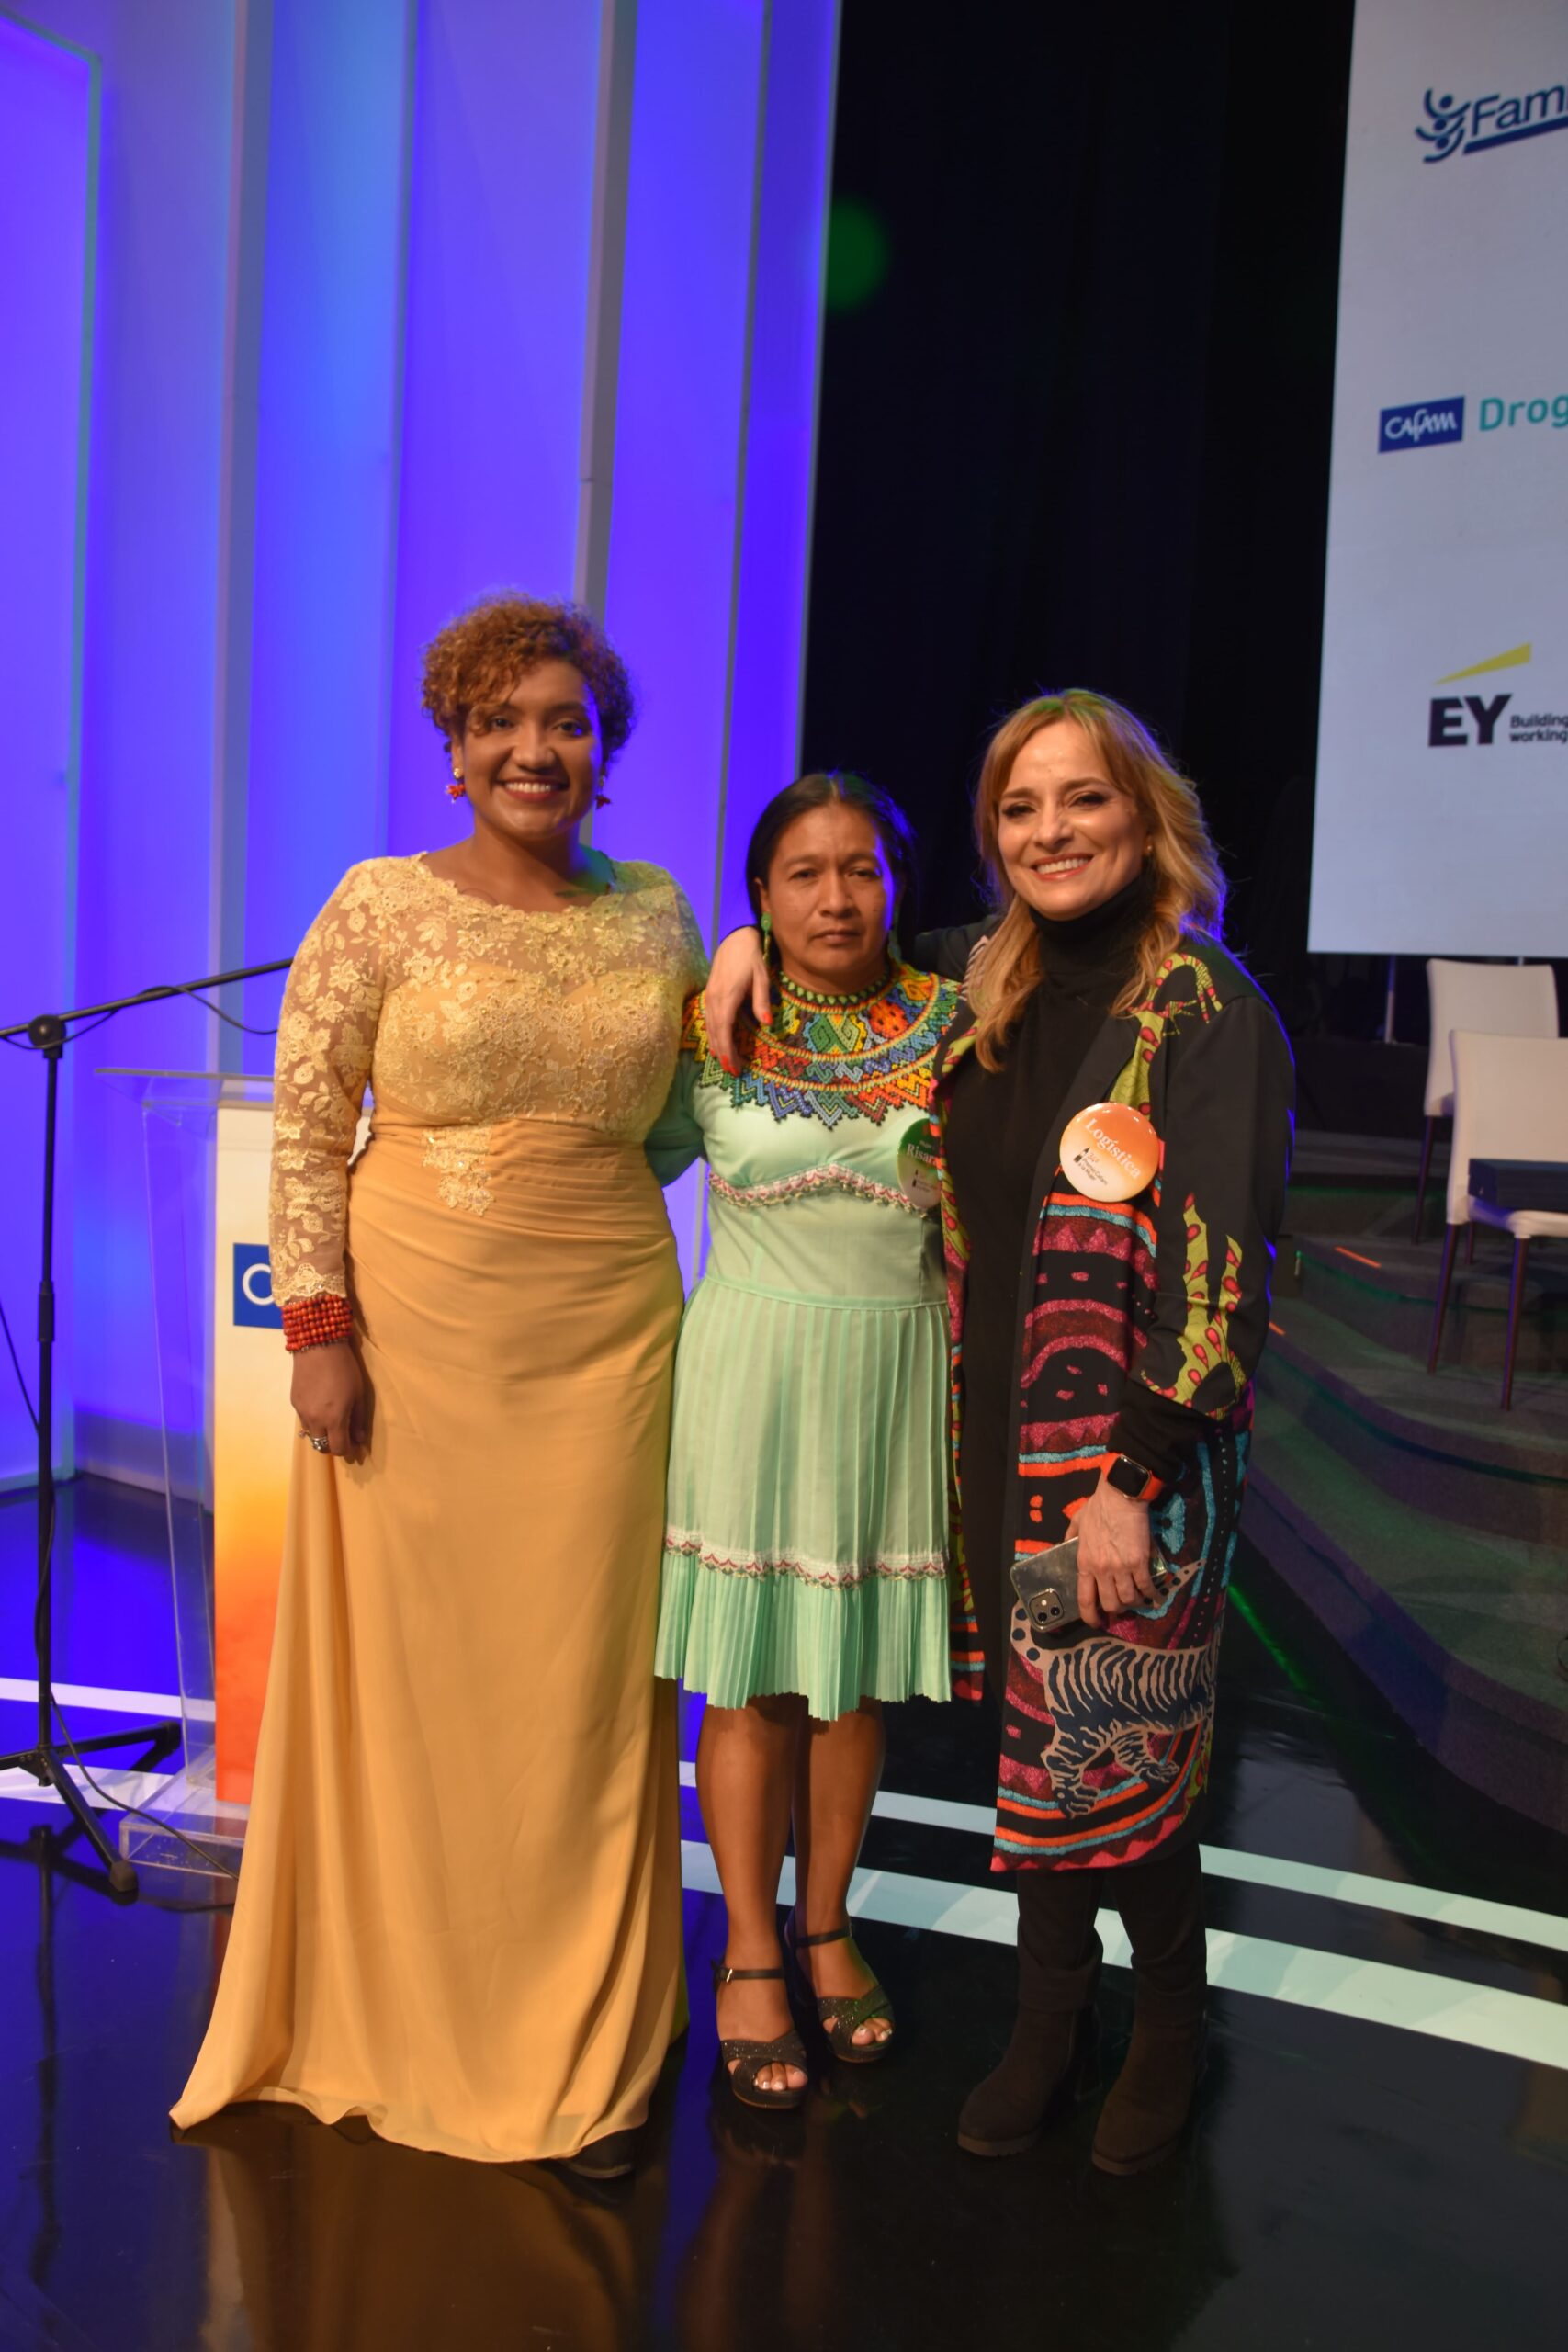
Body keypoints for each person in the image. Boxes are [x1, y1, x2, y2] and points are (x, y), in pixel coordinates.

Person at [172, 594, 706, 2179]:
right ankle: (403, 2006)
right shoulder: (378, 907)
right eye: (501, 723)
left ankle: (582, 2039)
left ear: (603, 751)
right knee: (425, 1682)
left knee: (585, 1689)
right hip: (412, 1332)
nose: (534, 748)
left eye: (564, 722)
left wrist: (576, 1186)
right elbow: (308, 1117)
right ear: (455, 750)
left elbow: (686, 1118)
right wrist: (319, 1331)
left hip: (608, 1329)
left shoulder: (664, 914)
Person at [933, 689, 1293, 2172]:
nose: (1050, 832)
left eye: (1082, 800)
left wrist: (1129, 1481)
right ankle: (1045, 2023)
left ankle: (1164, 2028)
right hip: (996, 1440)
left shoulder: (1204, 1009)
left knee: (1119, 1748)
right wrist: (752, 943)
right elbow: (838, 969)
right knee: (1035, 1749)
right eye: (1021, 808)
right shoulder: (984, 991)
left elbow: (1220, 1283)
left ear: (1143, 817)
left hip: (1131, 1466)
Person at [647, 774, 958, 2109]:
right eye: (803, 874)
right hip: (751, 1377)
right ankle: (753, 1952)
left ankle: (828, 1927)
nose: (838, 898)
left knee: (853, 1683)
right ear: (761, 895)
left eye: (863, 871)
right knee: (755, 1680)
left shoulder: (961, 1023)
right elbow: (612, 1162)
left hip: (891, 1373)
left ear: (897, 883)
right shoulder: (713, 1024)